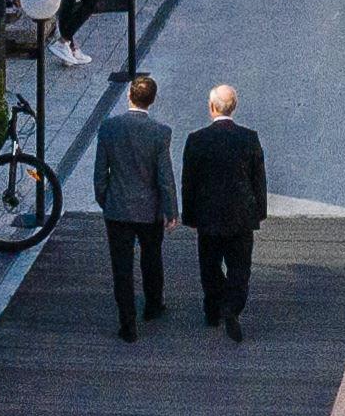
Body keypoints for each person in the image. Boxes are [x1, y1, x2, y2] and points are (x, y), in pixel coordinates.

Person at [90, 69, 179, 341]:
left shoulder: (109, 127)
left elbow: (100, 174)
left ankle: (127, 321)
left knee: (122, 266)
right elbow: (165, 176)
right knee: (151, 258)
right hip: (149, 209)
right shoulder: (160, 133)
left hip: (117, 209)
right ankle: (153, 305)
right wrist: (170, 210)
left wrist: (106, 200)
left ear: (129, 95)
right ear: (152, 100)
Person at [181, 80, 271, 340]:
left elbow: (190, 181)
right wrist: (259, 211)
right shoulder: (248, 137)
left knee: (209, 265)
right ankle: (233, 306)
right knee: (240, 267)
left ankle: (213, 309)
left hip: (208, 215)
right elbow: (258, 178)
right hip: (241, 216)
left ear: (211, 107)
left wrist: (190, 215)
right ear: (234, 108)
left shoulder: (197, 140)